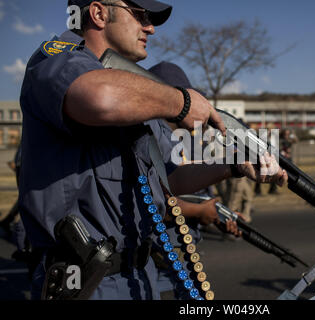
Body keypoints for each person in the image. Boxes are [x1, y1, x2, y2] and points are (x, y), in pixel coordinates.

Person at [19, 0, 287, 300]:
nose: (150, 27)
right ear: (98, 13)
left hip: (139, 274)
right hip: (85, 281)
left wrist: (234, 166)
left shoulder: (134, 91)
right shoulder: (57, 58)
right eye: (140, 15)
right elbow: (100, 97)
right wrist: (180, 102)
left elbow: (170, 179)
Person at [147, 61, 242, 300]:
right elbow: (152, 202)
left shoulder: (186, 139)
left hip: (184, 251)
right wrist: (200, 211)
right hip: (158, 256)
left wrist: (217, 214)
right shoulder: (150, 139)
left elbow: (196, 193)